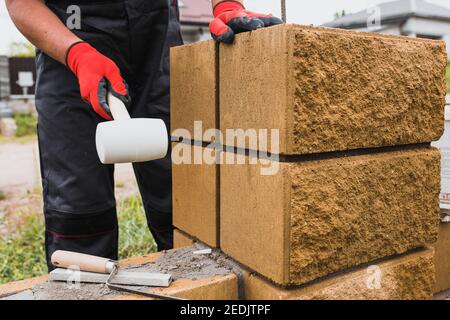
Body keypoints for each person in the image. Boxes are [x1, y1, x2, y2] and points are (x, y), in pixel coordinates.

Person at [6, 0, 283, 270]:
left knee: (182, 199)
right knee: (79, 210)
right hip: (67, 46)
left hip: (155, 40)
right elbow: (21, 3)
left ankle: (198, 286)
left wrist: (226, 4)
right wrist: (77, 55)